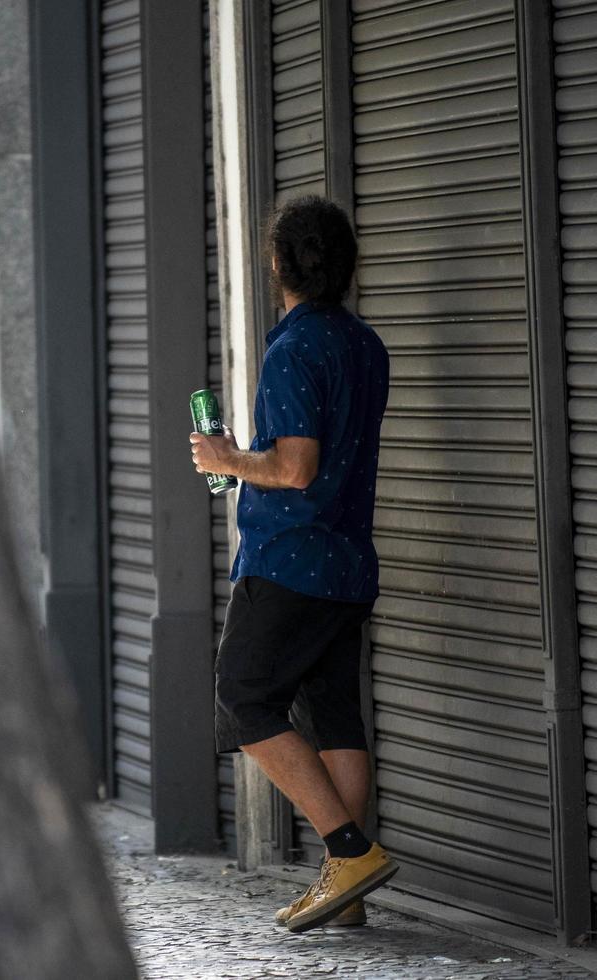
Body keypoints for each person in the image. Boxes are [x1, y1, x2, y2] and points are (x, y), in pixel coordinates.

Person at [189, 195, 394, 933]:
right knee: (335, 711)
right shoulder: (365, 346)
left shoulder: (293, 350)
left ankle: (349, 850)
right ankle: (347, 890)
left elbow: (296, 467)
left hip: (289, 560)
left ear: (278, 264)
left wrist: (224, 458)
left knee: (243, 696)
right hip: (348, 562)